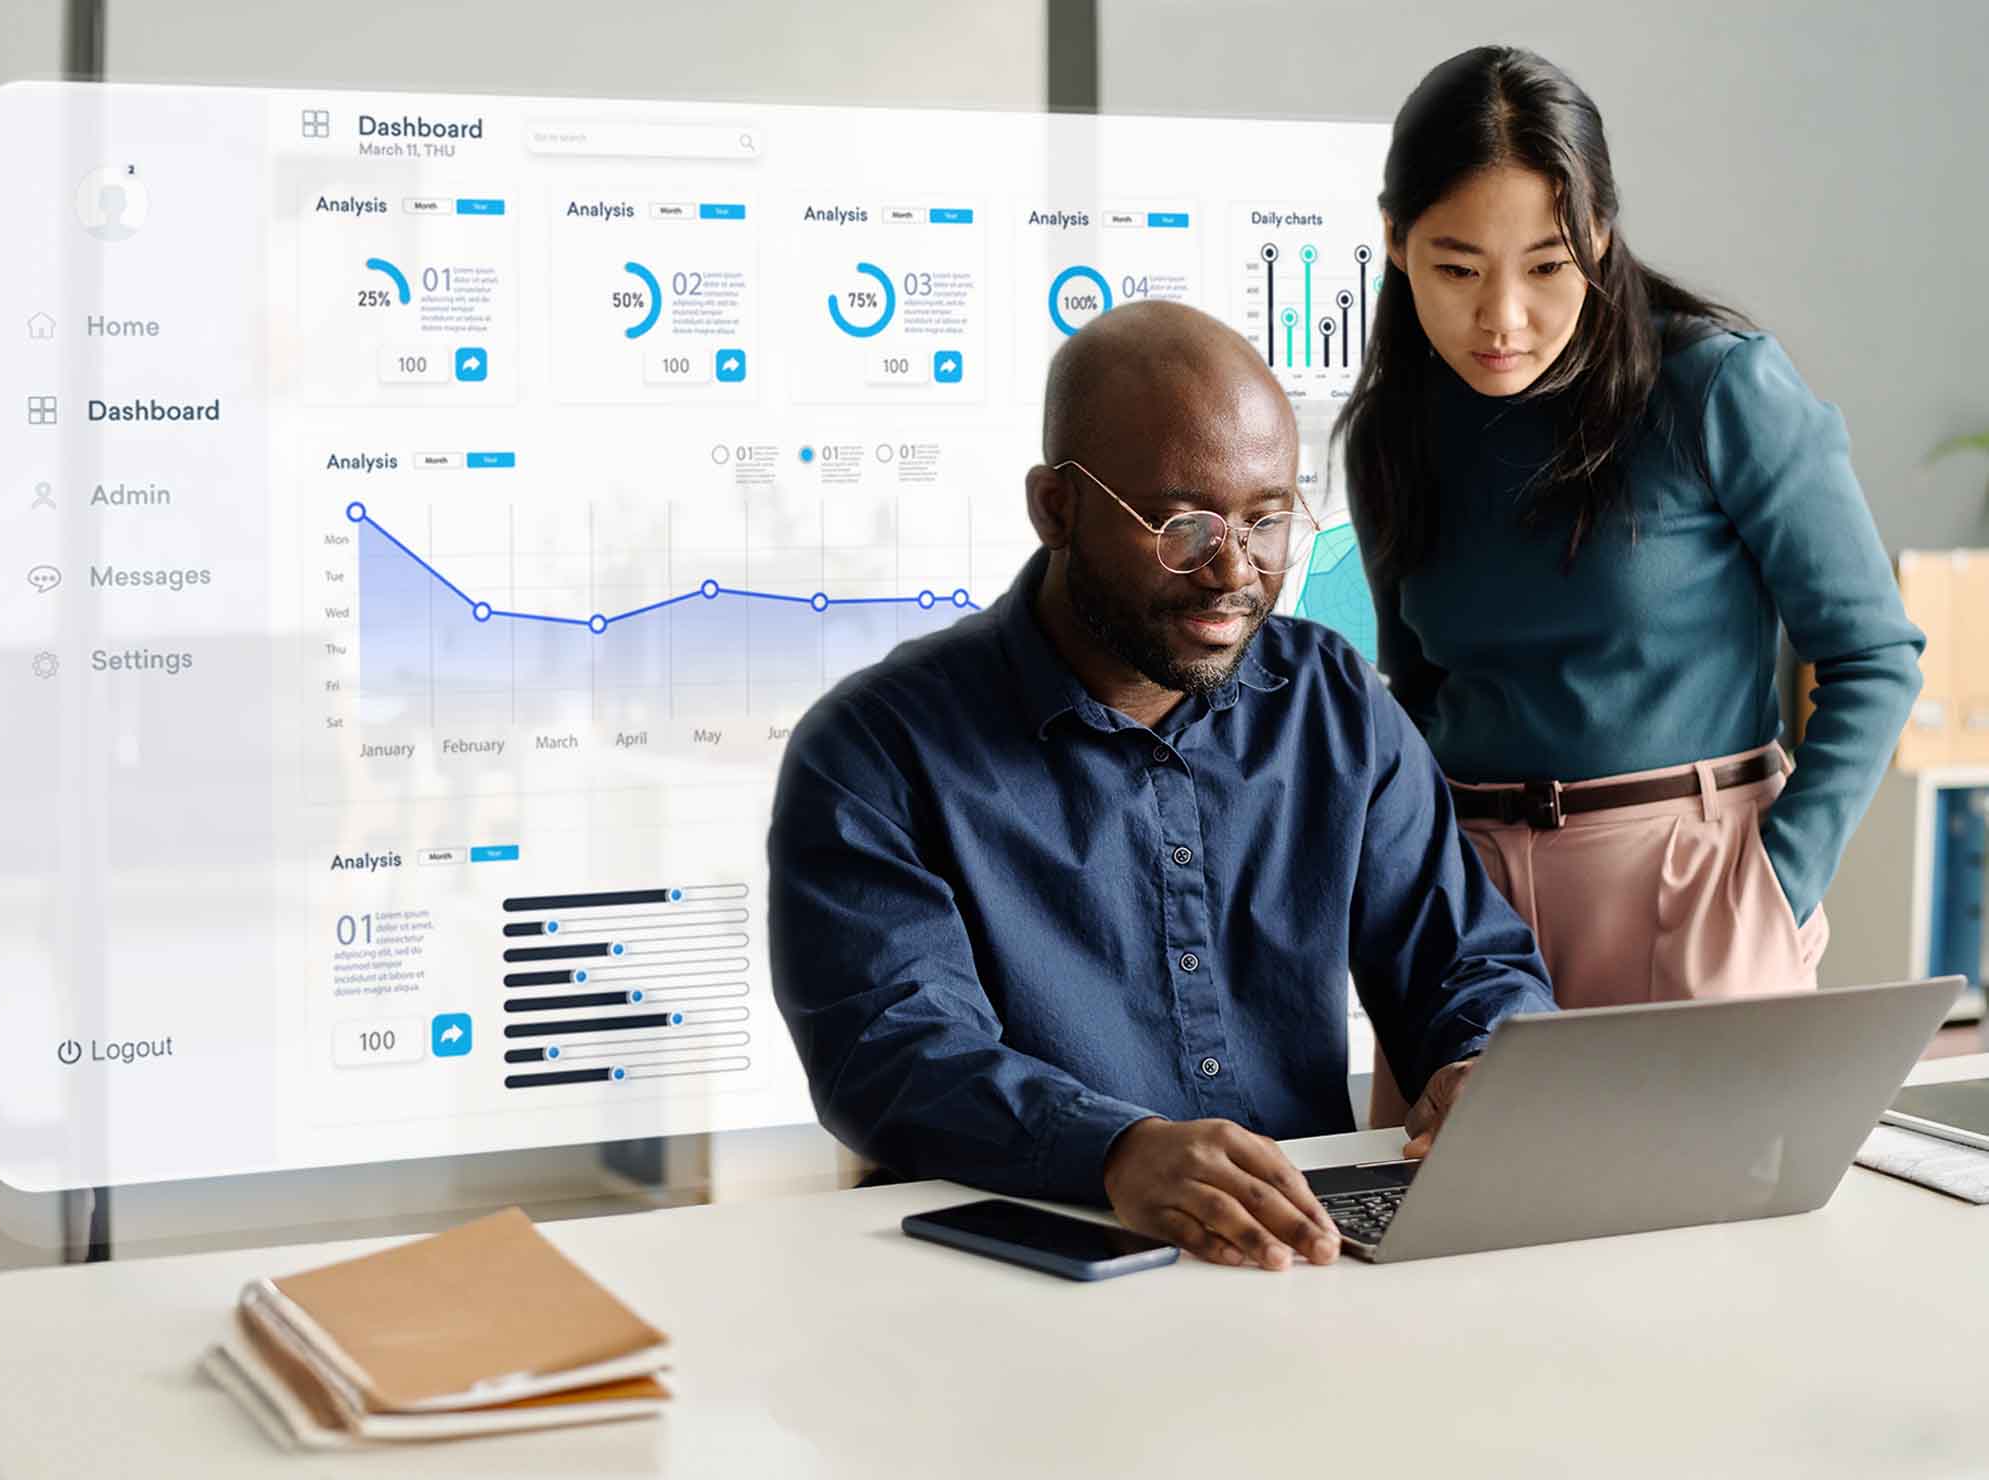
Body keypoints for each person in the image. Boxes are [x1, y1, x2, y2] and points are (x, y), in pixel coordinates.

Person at [768, 300, 1556, 1272]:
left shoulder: (1332, 701)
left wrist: (1482, 1062)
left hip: (1294, 1272)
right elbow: (894, 1054)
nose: (1233, 570)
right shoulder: (877, 751)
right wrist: (1112, 1151)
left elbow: (1465, 957)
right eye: (1182, 525)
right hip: (1016, 1287)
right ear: (1057, 506)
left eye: (1266, 518)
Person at [1338, 47, 1926, 1126]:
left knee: (1700, 1270)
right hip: (1466, 916)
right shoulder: (1393, 431)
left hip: (1691, 888)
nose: (1500, 318)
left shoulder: (1715, 386)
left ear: (1601, 234)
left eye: (1547, 266)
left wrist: (1771, 887)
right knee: (1440, 1255)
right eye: (1457, 269)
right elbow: (1412, 699)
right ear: (1394, 243)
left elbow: (1872, 654)